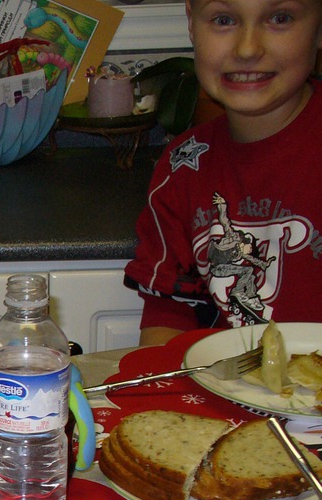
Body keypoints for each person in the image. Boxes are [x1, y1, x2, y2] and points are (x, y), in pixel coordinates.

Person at [125, 0, 322, 345]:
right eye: (223, 20)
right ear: (192, 22)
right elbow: (170, 312)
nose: (247, 49)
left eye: (280, 18)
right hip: (224, 377)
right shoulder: (184, 165)